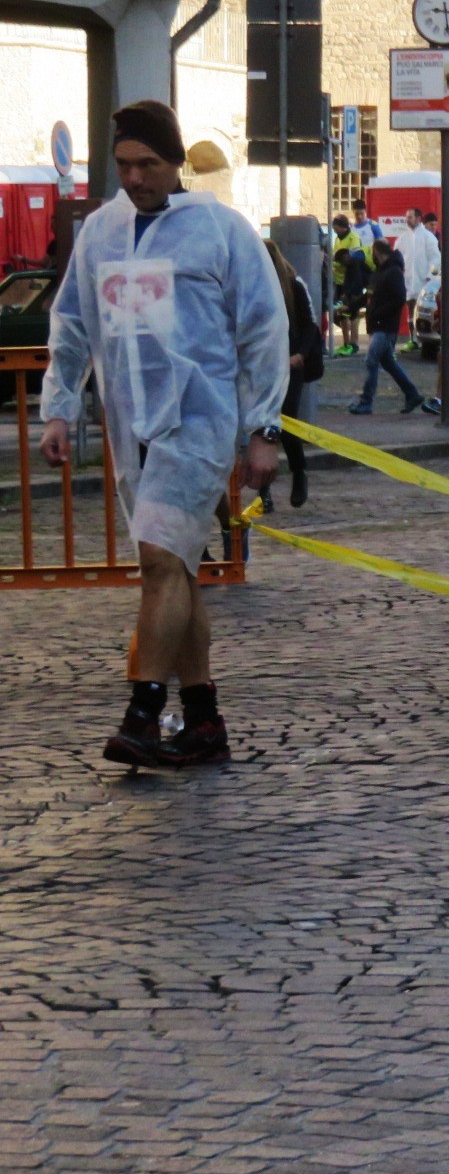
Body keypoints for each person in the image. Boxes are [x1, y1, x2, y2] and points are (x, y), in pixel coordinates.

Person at [39, 100, 289, 769]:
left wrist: (262, 428)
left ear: (175, 163)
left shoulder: (221, 231)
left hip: (198, 423)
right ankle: (204, 720)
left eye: (147, 164)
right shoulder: (101, 234)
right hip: (130, 423)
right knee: (174, 566)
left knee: (157, 563)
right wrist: (59, 407)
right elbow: (71, 324)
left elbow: (264, 331)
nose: (135, 177)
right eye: (123, 165)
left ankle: (143, 713)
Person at [261, 237, 322, 511]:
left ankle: (299, 472)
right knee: (260, 427)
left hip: (290, 363)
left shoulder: (294, 286)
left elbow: (310, 326)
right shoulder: (254, 287)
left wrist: (299, 356)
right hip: (263, 365)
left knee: (285, 422)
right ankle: (264, 492)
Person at [348, 237, 439, 416]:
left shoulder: (392, 272)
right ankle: (412, 394)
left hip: (385, 326)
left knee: (371, 360)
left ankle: (366, 402)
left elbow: (398, 298)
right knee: (388, 363)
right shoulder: (383, 272)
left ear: (377, 252)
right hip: (381, 324)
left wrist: (378, 313)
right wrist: (351, 306)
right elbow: (371, 296)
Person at [398, 208, 438, 349]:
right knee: (409, 309)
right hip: (408, 280)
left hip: (423, 281)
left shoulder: (428, 237)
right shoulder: (403, 238)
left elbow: (435, 258)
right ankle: (412, 339)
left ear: (419, 219)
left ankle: (423, 339)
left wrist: (430, 277)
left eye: (410, 217)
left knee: (421, 311)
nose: (407, 220)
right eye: (407, 217)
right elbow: (397, 258)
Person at [330, 214, 367, 355]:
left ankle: (354, 343)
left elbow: (352, 260)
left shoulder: (353, 238)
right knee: (341, 313)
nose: (334, 230)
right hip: (339, 281)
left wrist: (337, 261)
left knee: (352, 312)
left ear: (343, 226)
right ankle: (346, 343)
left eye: (336, 227)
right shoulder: (337, 240)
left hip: (352, 280)